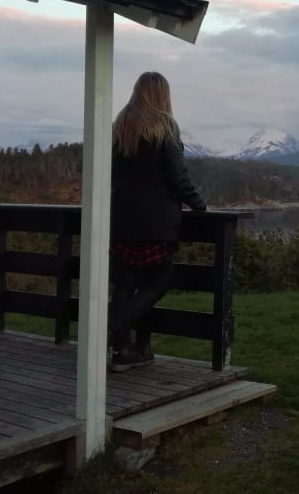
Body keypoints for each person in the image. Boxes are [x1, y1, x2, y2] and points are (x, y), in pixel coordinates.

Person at [108, 71, 207, 372]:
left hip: (120, 221)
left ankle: (123, 351)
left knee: (125, 282)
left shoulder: (120, 126)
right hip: (155, 224)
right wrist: (199, 205)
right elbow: (179, 177)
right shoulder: (165, 127)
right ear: (162, 95)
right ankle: (113, 330)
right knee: (159, 280)